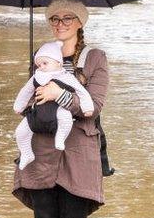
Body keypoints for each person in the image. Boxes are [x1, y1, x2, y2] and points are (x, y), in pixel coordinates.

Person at [12, 0, 109, 218]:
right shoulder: (40, 55)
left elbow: (94, 106)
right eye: (54, 19)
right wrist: (36, 91)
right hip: (40, 150)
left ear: (80, 23)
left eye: (68, 19)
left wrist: (59, 93)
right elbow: (28, 100)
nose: (60, 24)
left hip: (79, 151)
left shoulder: (95, 58)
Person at [13, 40, 95, 169]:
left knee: (65, 118)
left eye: (45, 63)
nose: (42, 67)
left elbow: (82, 91)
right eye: (39, 64)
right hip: (38, 112)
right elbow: (25, 91)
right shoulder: (36, 76)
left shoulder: (66, 76)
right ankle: (26, 153)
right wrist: (19, 106)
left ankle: (60, 138)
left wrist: (87, 107)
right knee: (20, 132)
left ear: (58, 63)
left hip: (58, 109)